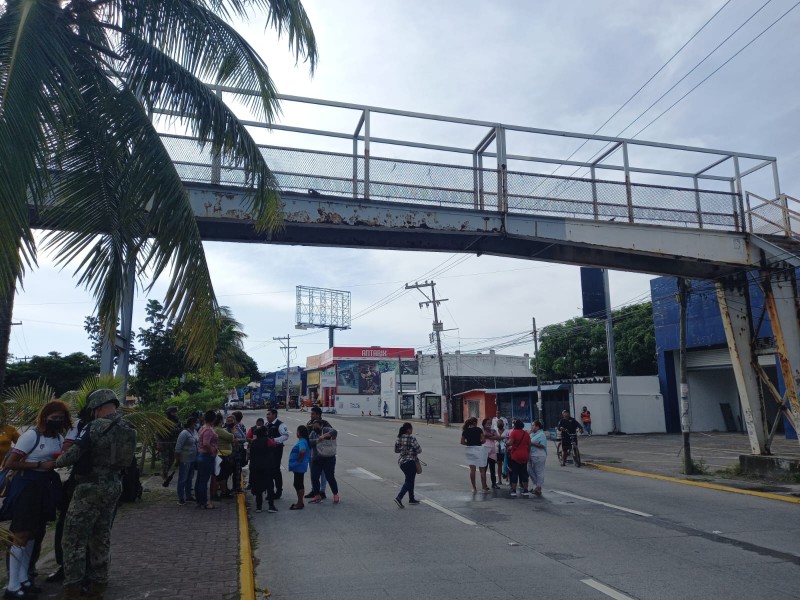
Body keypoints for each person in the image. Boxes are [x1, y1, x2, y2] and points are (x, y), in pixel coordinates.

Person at [56, 389, 137, 600]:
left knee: (74, 539)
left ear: (98, 407)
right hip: (114, 485)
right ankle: (98, 587)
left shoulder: (95, 426)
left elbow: (72, 455)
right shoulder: (129, 428)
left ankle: (72, 589)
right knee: (101, 536)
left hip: (89, 488)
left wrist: (54, 462)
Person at [1, 400, 70, 599]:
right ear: (44, 417)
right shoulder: (32, 435)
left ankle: (24, 579)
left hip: (44, 488)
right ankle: (12, 586)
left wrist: (54, 463)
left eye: (61, 418)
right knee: (20, 534)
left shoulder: (58, 437)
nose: (57, 421)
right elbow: (10, 463)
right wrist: (40, 464)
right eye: (53, 418)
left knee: (33, 534)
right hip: (27, 488)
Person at [248, 427, 278, 513]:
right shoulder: (267, 440)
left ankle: (258, 507)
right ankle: (271, 506)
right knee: (269, 486)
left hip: (256, 467)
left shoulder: (254, 442)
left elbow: (250, 454)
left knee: (258, 487)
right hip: (267, 467)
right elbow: (274, 445)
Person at [309, 419, 339, 504]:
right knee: (314, 477)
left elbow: (334, 431)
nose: (314, 428)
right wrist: (318, 440)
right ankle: (317, 495)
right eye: (313, 426)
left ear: (321, 425)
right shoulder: (313, 433)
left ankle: (335, 494)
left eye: (316, 426)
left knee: (330, 477)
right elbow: (309, 441)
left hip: (329, 458)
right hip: (316, 459)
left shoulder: (325, 429)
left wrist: (324, 436)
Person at [394, 422, 422, 508]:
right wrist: (411, 451)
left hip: (402, 462)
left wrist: (404, 450)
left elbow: (396, 450)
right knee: (409, 481)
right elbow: (419, 450)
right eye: (411, 429)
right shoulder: (411, 438)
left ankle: (411, 498)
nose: (412, 430)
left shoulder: (399, 438)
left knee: (410, 479)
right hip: (411, 462)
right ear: (408, 430)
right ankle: (399, 497)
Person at [194, 410, 218, 509]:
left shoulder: (202, 428)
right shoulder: (208, 429)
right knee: (203, 480)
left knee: (200, 479)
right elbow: (206, 443)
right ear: (213, 419)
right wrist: (212, 452)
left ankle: (199, 501)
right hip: (206, 456)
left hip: (201, 455)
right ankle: (204, 502)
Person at [305, 407, 329, 499]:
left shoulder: (325, 424)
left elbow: (330, 436)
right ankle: (314, 490)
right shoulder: (309, 423)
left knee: (323, 472)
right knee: (313, 472)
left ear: (318, 415)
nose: (311, 415)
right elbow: (306, 437)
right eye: (311, 414)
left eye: (313, 414)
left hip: (323, 451)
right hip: (312, 451)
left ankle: (322, 491)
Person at [460, 417, 488, 493]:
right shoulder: (479, 430)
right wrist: (479, 443)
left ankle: (474, 488)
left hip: (469, 450)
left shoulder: (465, 431)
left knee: (472, 470)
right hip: (479, 449)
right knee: (482, 470)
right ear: (475, 423)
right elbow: (484, 440)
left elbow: (462, 442)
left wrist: (468, 444)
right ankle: (484, 488)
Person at [174, 416, 198, 505]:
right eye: (196, 423)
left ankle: (188, 496)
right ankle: (180, 497)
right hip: (185, 459)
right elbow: (178, 448)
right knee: (183, 479)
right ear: (192, 423)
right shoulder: (184, 433)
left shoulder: (194, 431)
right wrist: (177, 460)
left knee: (189, 478)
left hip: (192, 459)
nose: (197, 424)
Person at [287, 426, 310, 510]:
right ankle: (300, 502)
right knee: (297, 483)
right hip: (298, 466)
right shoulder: (303, 440)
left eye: (297, 431)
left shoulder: (302, 441)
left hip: (299, 466)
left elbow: (302, 450)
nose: (296, 433)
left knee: (298, 484)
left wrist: (300, 459)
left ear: (299, 433)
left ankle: (300, 503)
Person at [507, 419, 531, 497]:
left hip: (516, 455)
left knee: (514, 473)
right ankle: (526, 490)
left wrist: (506, 443)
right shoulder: (526, 434)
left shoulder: (513, 433)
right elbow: (529, 445)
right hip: (525, 455)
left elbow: (510, 443)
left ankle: (513, 490)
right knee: (524, 473)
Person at [214, 413, 235, 498]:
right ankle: (222, 493)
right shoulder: (218, 429)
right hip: (222, 456)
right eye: (223, 419)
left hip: (223, 455)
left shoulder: (220, 429)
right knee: (221, 476)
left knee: (222, 475)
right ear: (220, 421)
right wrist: (233, 432)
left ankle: (224, 491)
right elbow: (230, 437)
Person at [158, 406, 181, 481]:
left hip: (173, 443)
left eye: (175, 412)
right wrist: (159, 443)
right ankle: (164, 475)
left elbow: (180, 430)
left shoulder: (177, 421)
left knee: (171, 459)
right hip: (164, 443)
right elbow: (157, 433)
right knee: (165, 461)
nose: (174, 413)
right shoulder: (164, 421)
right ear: (169, 413)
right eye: (173, 412)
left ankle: (165, 472)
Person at [528, 420, 547, 496]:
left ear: (537, 427)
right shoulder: (532, 434)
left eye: (533, 425)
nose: (532, 427)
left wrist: (532, 443)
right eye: (532, 425)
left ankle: (538, 487)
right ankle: (536, 484)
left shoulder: (541, 435)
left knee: (539, 471)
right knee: (529, 469)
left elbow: (542, 445)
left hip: (539, 455)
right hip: (531, 455)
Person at [482, 418, 501, 489]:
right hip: (484, 450)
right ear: (484, 423)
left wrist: (489, 436)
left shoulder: (493, 430)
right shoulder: (482, 429)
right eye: (488, 423)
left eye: (490, 423)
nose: (489, 424)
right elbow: (484, 435)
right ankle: (484, 485)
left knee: (492, 468)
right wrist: (492, 436)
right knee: (484, 468)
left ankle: (494, 484)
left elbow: (498, 437)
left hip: (492, 451)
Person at [231, 411, 247, 493]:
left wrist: (237, 441)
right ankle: (236, 487)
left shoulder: (239, 426)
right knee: (236, 470)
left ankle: (236, 487)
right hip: (235, 451)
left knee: (236, 469)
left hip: (236, 451)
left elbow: (244, 439)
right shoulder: (235, 426)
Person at [496, 420, 509, 484]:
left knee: (506, 464)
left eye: (501, 423)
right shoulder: (495, 431)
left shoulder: (507, 431)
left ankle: (507, 479)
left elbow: (509, 439)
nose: (500, 424)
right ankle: (499, 480)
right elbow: (494, 438)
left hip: (505, 449)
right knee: (499, 465)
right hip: (497, 449)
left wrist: (500, 438)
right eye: (498, 423)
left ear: (503, 424)